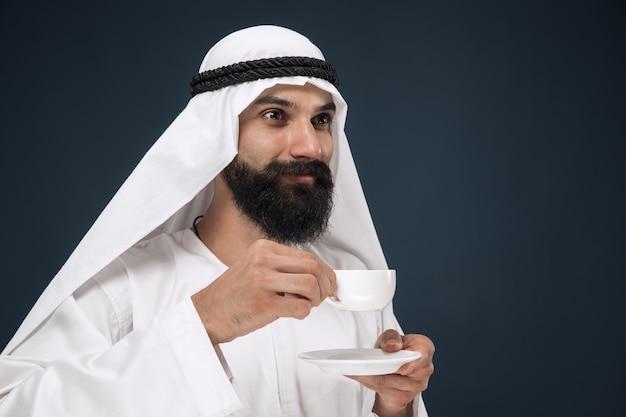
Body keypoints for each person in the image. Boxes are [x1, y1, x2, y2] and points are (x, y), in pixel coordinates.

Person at [0, 25, 434, 416]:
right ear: (217, 136)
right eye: (275, 116)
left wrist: (393, 405)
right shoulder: (124, 287)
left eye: (321, 120)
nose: (310, 146)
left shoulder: (349, 283)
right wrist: (202, 322)